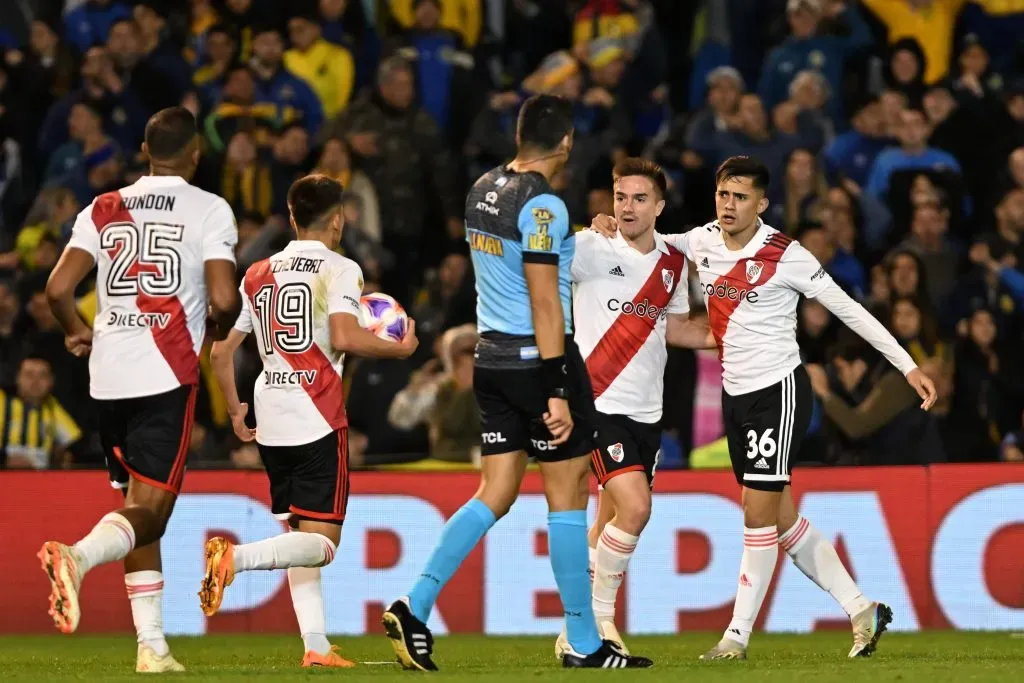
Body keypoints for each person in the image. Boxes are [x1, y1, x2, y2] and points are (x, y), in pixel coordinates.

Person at [591, 155, 937, 661]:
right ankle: (863, 609)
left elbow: (850, 309)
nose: (728, 205)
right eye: (722, 194)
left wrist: (907, 366)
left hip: (779, 390)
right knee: (781, 520)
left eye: (740, 197)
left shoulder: (786, 254)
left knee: (757, 513)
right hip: (737, 394)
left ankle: (737, 637)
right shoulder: (701, 240)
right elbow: (647, 236)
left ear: (761, 203)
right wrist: (603, 223)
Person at [381, 95, 652, 670]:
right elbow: (543, 300)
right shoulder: (542, 202)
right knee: (568, 495)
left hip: (490, 360)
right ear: (567, 142)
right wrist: (557, 386)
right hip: (538, 364)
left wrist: (581, 231)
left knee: (495, 493)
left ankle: (415, 602)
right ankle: (584, 642)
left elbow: (513, 259)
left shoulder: (483, 187)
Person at [38, 106, 241, 673]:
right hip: (165, 371)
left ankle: (151, 645)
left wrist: (78, 333)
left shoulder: (102, 206)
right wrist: (220, 333)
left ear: (146, 151)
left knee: (134, 508)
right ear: (195, 153)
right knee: (150, 514)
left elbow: (57, 289)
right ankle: (76, 558)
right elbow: (224, 300)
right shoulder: (209, 208)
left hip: (109, 375)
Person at [199, 174, 419, 668]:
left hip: (269, 412)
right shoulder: (341, 268)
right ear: (338, 219)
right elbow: (343, 336)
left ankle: (315, 644)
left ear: (293, 216)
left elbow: (220, 352)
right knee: (321, 543)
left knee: (300, 531)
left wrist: (236, 411)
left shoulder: (257, 272)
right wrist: (398, 348)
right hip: (315, 412)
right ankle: (236, 558)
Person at [554, 158, 716, 658]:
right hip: (598, 403)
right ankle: (601, 625)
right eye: (620, 197)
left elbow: (674, 327)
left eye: (638, 198)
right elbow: (535, 265)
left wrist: (728, 337)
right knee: (638, 508)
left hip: (648, 412)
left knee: (606, 525)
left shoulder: (671, 262)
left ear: (659, 207)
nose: (626, 206)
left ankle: (573, 635)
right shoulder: (589, 247)